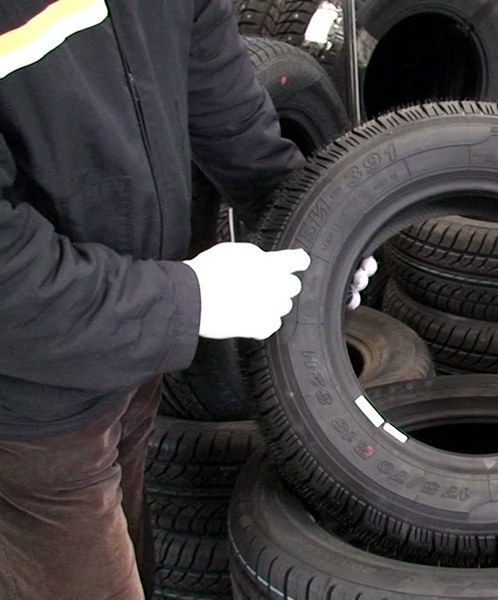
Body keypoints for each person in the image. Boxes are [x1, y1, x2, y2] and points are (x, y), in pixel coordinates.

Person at [0, 0, 375, 597]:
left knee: (129, 544)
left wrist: (313, 233)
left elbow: (228, 112)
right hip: (26, 407)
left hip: (128, 349)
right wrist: (189, 301)